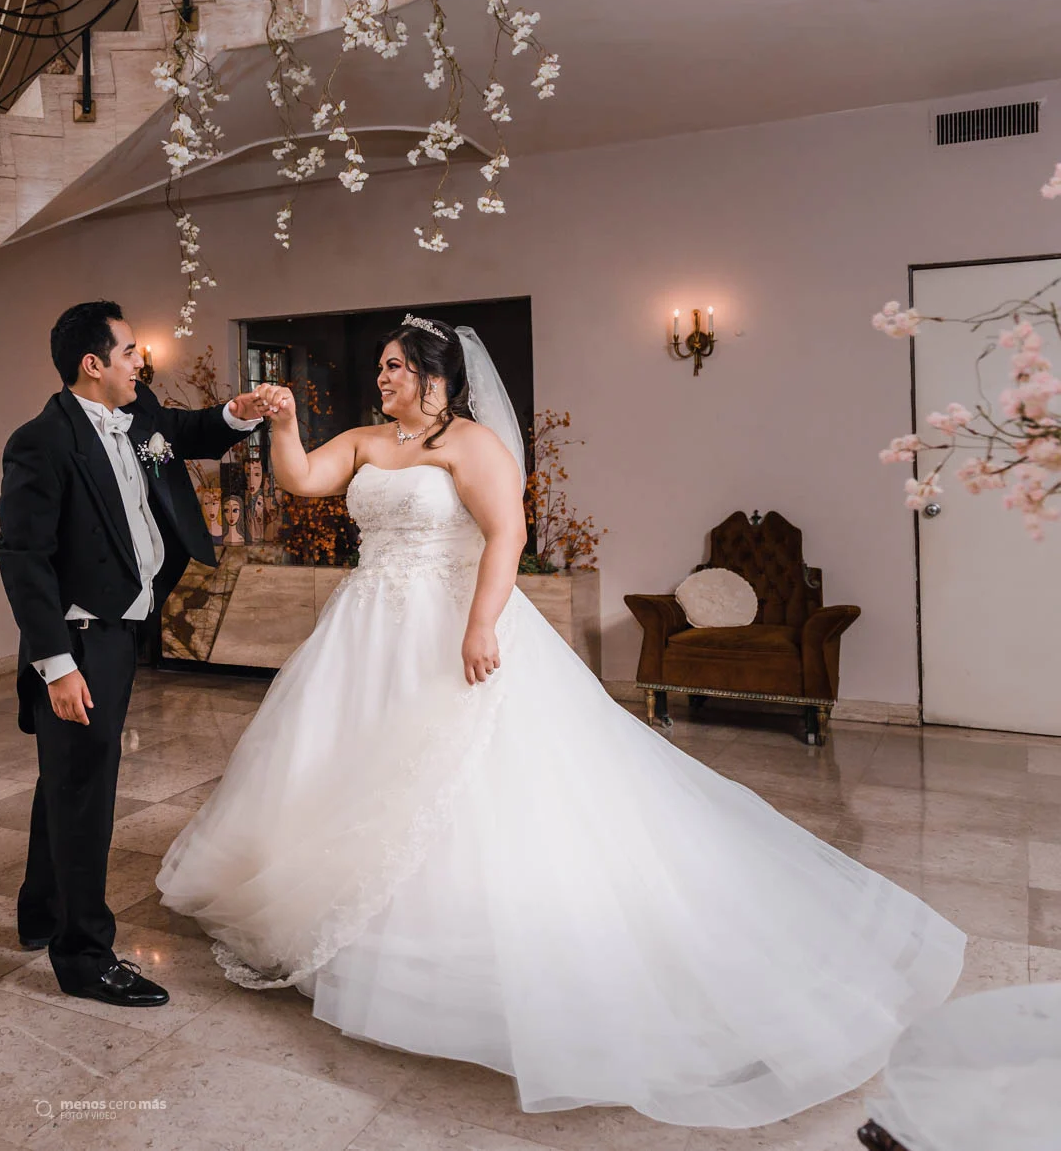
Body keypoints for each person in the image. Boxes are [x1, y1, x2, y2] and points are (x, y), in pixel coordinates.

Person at [155, 314, 965, 1128]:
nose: (383, 378)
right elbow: (300, 482)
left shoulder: (472, 446)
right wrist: (286, 424)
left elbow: (508, 533)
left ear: (436, 379)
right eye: (383, 368)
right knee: (345, 764)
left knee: (468, 781)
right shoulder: (367, 440)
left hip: (451, 621)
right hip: (367, 630)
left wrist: (479, 624)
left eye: (396, 367)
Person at [0, 301, 269, 1007]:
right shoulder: (42, 442)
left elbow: (188, 432)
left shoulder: (139, 411)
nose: (138, 363)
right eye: (127, 353)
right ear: (94, 364)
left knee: (70, 774)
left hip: (122, 629)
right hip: (81, 639)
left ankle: (40, 909)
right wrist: (54, 665)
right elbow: (23, 557)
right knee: (87, 788)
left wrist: (236, 413)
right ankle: (83, 955)